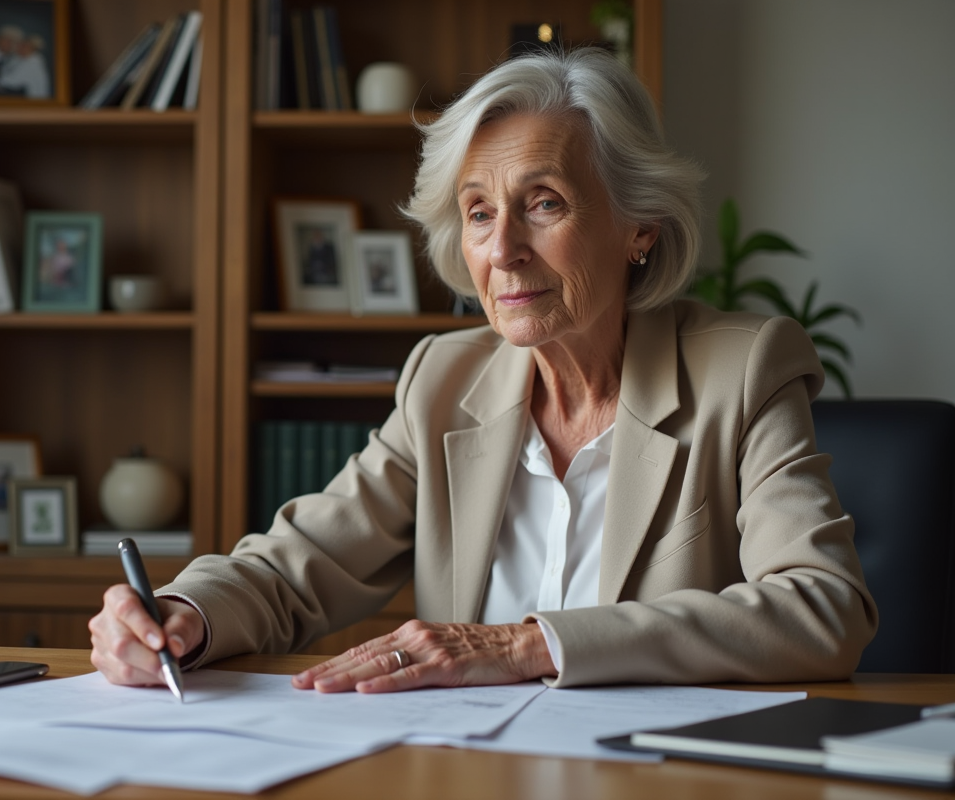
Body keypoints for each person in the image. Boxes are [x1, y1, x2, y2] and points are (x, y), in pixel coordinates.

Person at [90, 48, 877, 693]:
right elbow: (301, 568)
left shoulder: (741, 370)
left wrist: (527, 645)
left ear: (640, 226)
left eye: (544, 204)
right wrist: (185, 615)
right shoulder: (443, 380)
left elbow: (823, 609)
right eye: (478, 212)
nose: (502, 251)